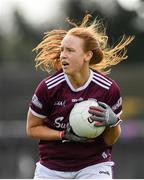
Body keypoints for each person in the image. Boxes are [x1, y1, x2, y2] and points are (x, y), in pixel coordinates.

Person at [26, 14, 134, 179]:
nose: (63, 55)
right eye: (62, 49)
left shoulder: (108, 89)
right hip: (52, 167)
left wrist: (113, 123)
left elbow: (110, 141)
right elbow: (32, 129)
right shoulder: (48, 88)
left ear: (87, 55)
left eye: (70, 50)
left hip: (94, 165)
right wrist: (63, 135)